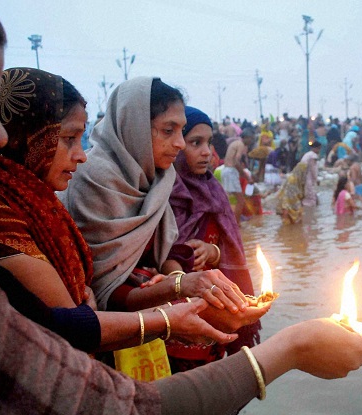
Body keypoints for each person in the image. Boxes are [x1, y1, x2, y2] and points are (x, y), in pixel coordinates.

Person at [0, 2, 362, 415]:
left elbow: (140, 272)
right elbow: (77, 324)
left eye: (193, 136)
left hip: (145, 348)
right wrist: (180, 311)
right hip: (106, 372)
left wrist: (193, 276)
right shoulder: (13, 207)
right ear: (136, 133)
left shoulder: (114, 192)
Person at [0, 67, 258, 354]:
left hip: (122, 329)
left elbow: (94, 283)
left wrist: (180, 276)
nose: (81, 155)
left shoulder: (44, 197)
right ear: (29, 136)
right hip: (84, 346)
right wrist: (175, 298)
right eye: (69, 138)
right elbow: (75, 317)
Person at [60, 78, 248, 316]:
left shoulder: (159, 179)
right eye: (168, 131)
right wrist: (178, 286)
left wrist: (177, 277)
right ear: (133, 128)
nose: (179, 143)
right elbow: (100, 287)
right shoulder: (91, 179)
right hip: (97, 327)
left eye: (181, 131)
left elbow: (166, 252)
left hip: (149, 318)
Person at [168, 106, 261, 415]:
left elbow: (229, 250)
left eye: (209, 142)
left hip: (212, 319)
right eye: (195, 142)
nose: (207, 151)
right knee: (178, 414)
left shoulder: (214, 191)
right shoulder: (160, 195)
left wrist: (213, 252)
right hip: (171, 324)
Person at [223, 128, 256, 222]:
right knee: (240, 200)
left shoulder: (236, 143)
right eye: (251, 138)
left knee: (227, 199)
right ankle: (236, 224)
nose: (251, 141)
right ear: (246, 137)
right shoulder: (240, 144)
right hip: (230, 172)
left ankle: (230, 221)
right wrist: (247, 177)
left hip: (226, 170)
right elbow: (236, 162)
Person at [300, 140, 321, 207]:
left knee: (307, 196)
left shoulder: (307, 154)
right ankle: (309, 214)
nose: (319, 151)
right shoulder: (313, 156)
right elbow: (313, 169)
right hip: (308, 178)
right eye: (319, 149)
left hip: (303, 178)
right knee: (311, 199)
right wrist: (316, 179)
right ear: (316, 148)